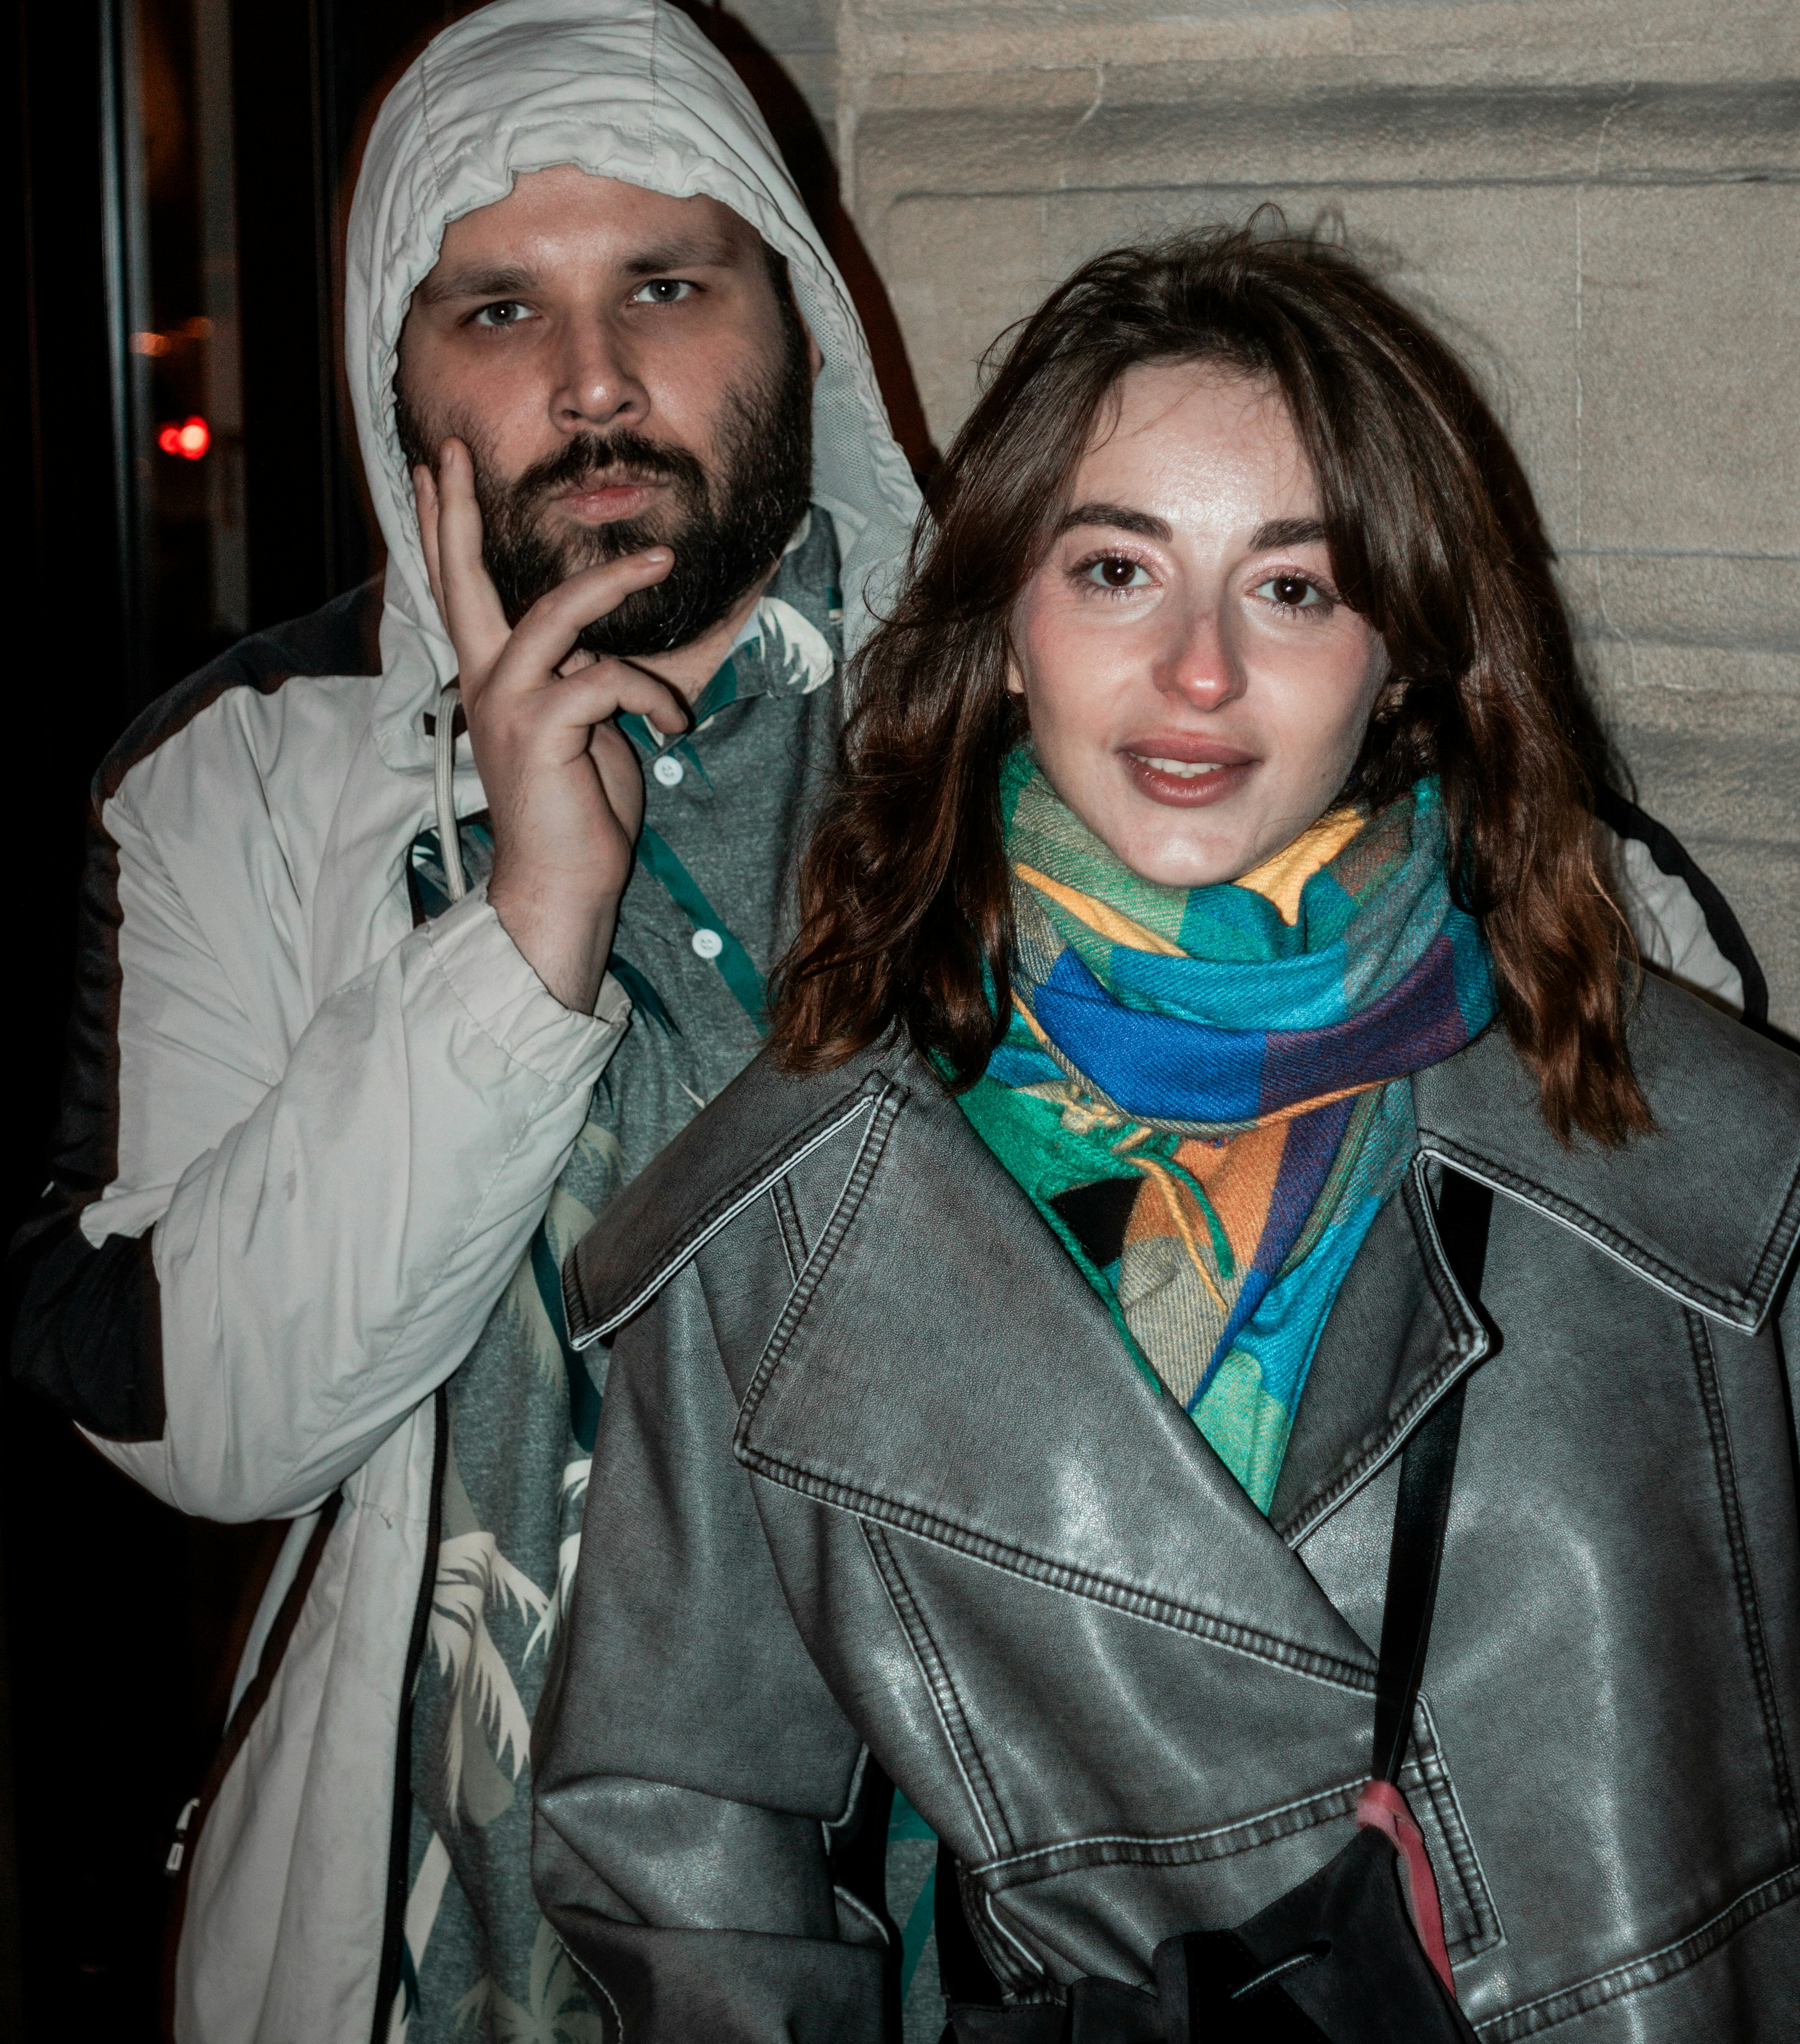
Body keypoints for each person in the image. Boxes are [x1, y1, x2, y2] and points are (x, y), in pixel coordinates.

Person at [532, 228, 1798, 2041]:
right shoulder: (787, 1227)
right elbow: (680, 1845)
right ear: (1006, 626)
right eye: (1118, 569)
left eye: (1294, 588)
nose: (1199, 673)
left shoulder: (1720, 1175)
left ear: (1403, 657)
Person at [7, 0, 919, 2043]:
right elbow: (203, 1421)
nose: (593, 381)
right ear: (393, 380)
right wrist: (525, 933)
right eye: (499, 312)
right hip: (433, 1953)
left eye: (666, 285)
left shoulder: (1011, 725)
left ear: (797, 325)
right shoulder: (244, 780)